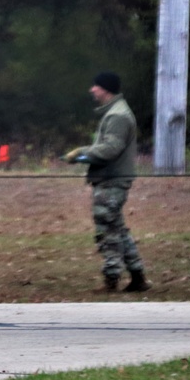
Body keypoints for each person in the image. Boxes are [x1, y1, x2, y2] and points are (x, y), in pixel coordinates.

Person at [64, 72, 151, 292]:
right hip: (111, 179)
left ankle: (111, 280)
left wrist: (80, 153)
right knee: (118, 228)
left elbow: (110, 149)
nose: (91, 90)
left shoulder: (117, 116)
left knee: (107, 230)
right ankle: (138, 276)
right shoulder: (115, 112)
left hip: (111, 180)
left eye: (96, 86)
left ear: (106, 89)